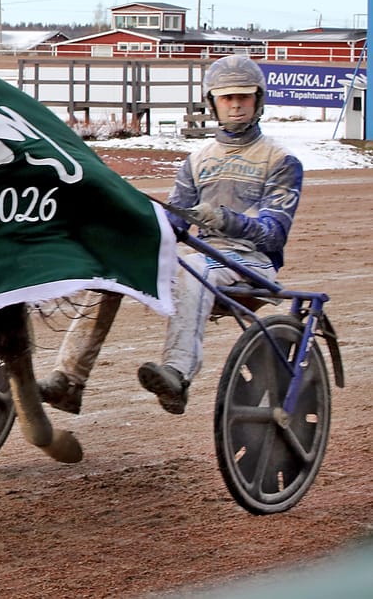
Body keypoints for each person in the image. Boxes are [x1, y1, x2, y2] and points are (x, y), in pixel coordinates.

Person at [39, 55, 303, 415]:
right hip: (202, 258)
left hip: (250, 264)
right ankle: (68, 380)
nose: (236, 104)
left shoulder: (281, 161)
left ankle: (177, 376)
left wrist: (224, 220)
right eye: (227, 98)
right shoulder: (198, 160)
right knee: (114, 269)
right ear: (213, 103)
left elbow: (274, 235)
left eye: (244, 96)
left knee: (192, 267)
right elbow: (172, 225)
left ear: (259, 100)